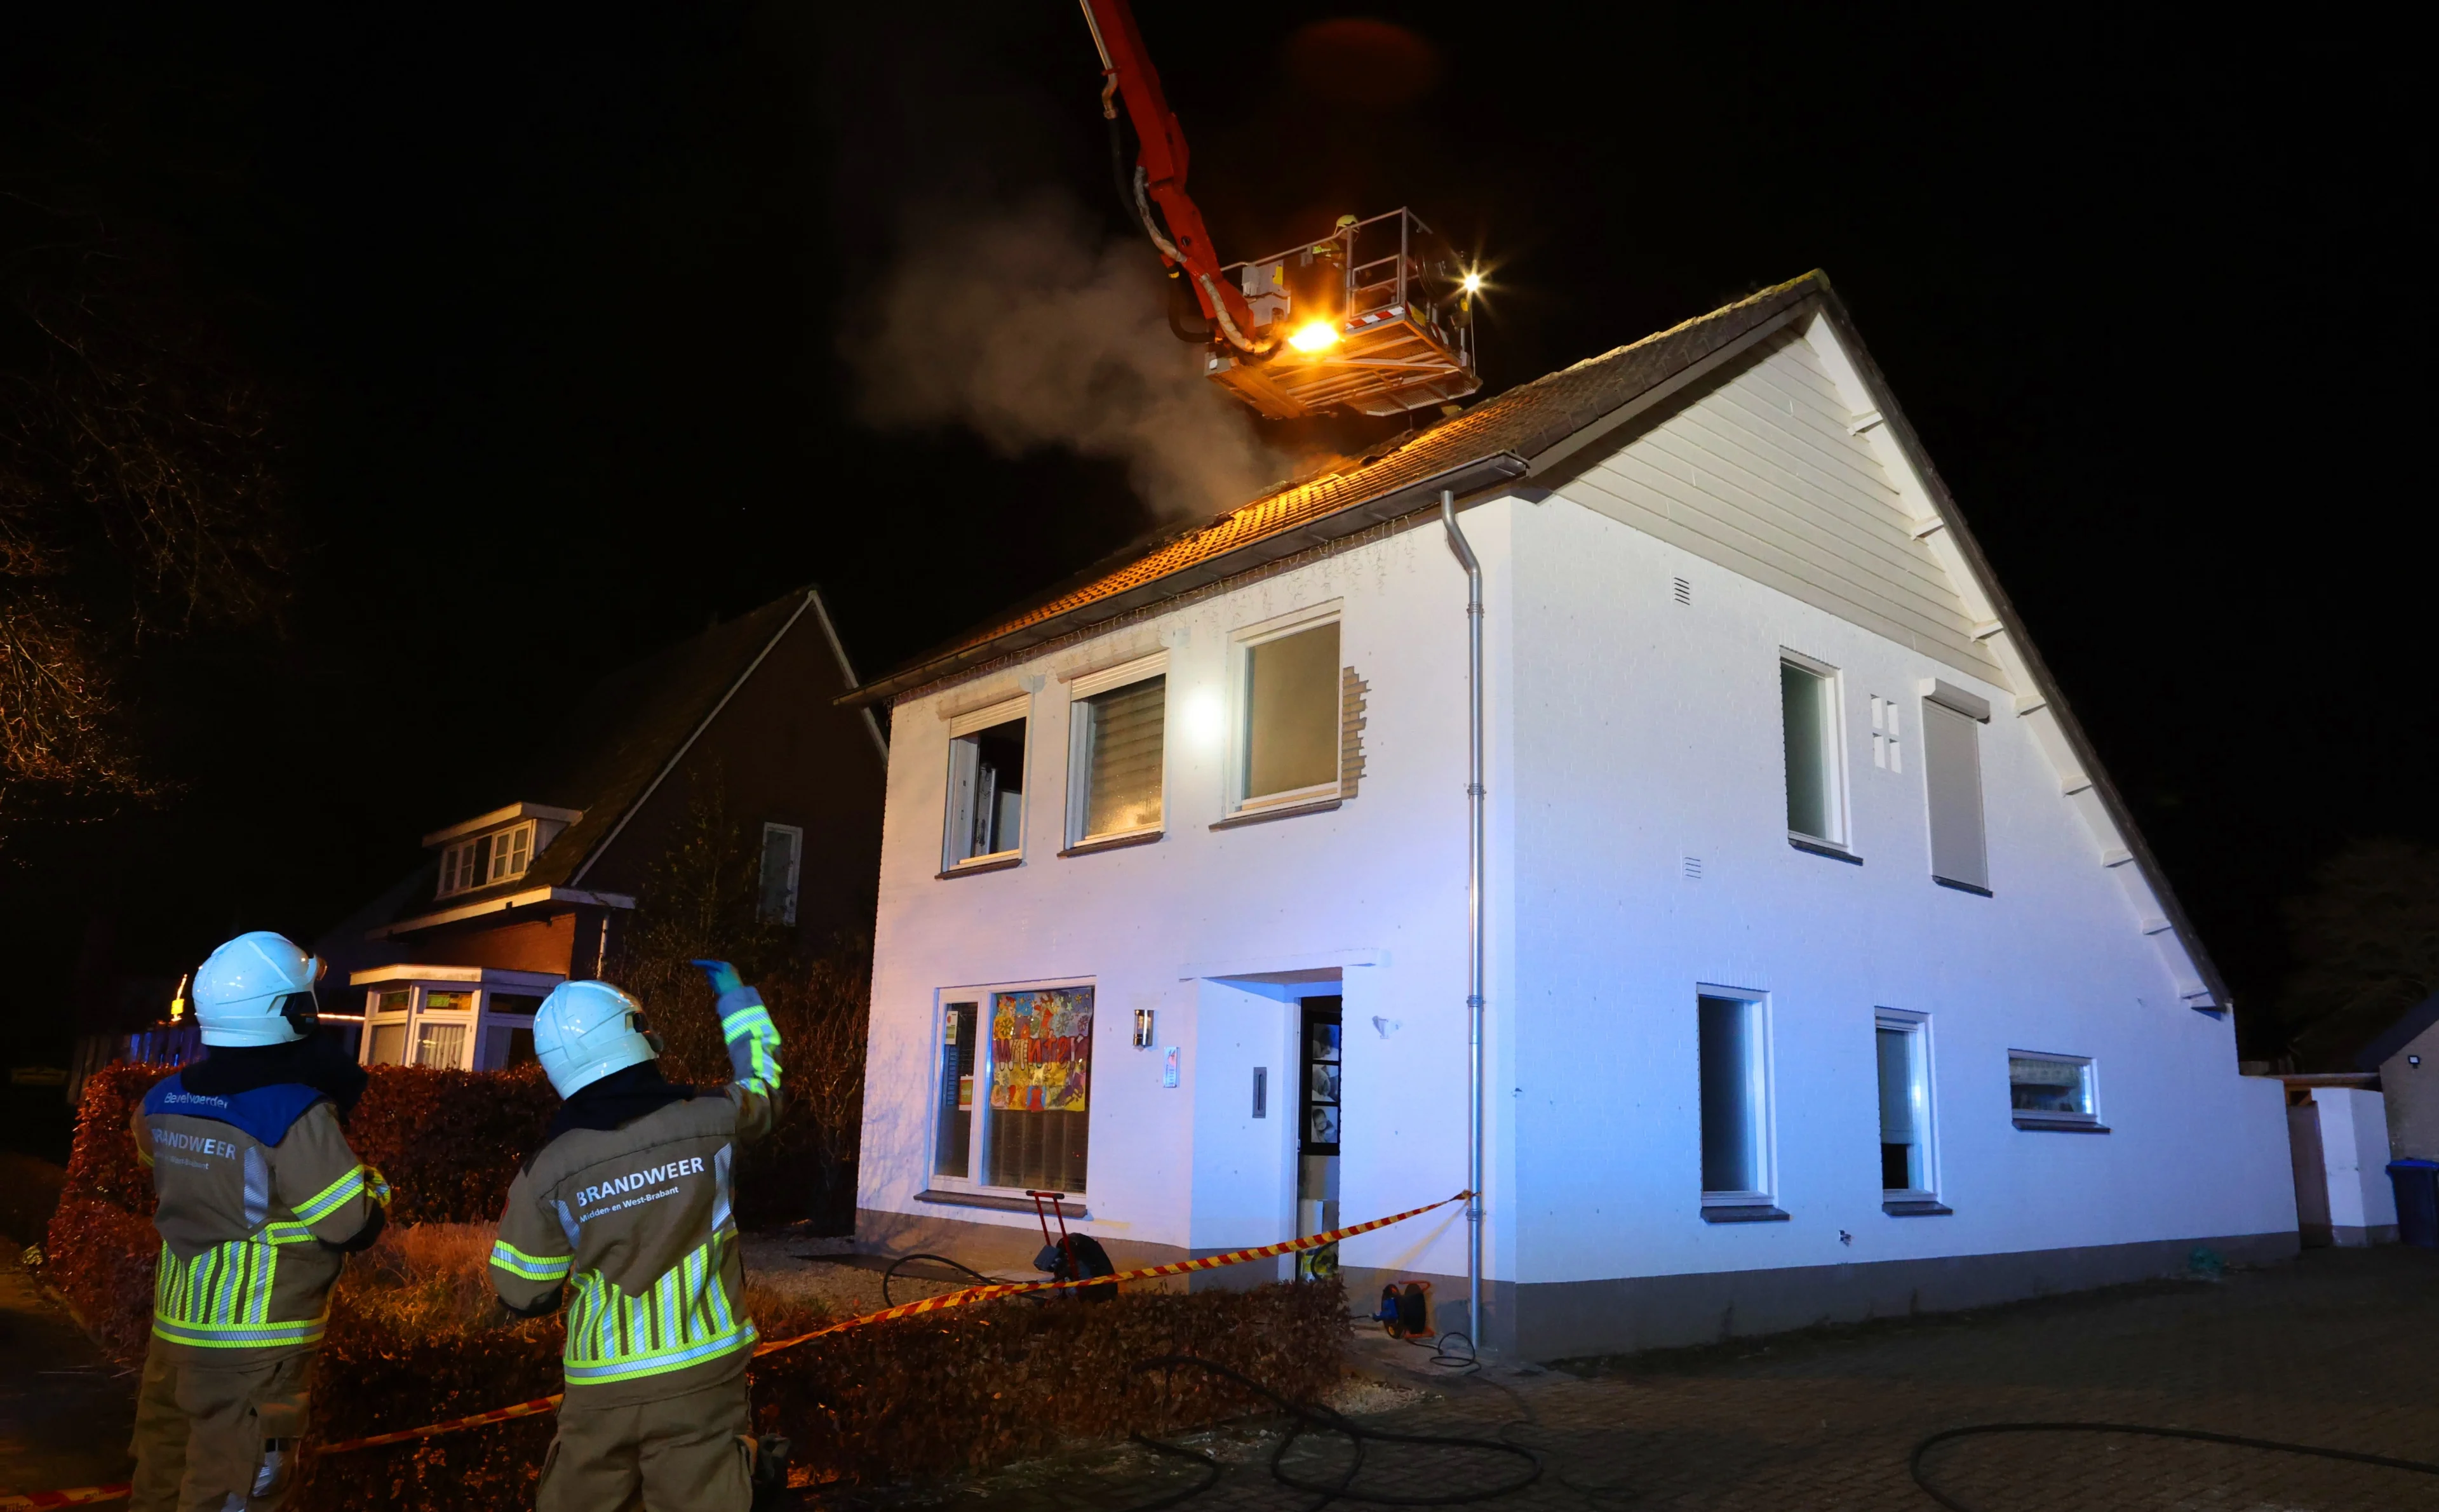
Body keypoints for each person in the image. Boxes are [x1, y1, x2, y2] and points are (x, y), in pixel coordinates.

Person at [490, 959, 788, 1511]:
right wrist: (738, 1001)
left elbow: (521, 1289)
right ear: (635, 1038)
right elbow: (766, 1085)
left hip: (600, 1388)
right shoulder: (715, 1118)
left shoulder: (546, 1170)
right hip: (704, 1377)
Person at [129, 930, 391, 1511]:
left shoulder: (161, 1100)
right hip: (253, 1349)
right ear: (294, 1012)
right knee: (234, 1493)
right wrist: (378, 1185)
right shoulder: (294, 1112)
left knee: (160, 1484)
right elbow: (351, 1223)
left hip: (175, 1335)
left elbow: (159, 1160)